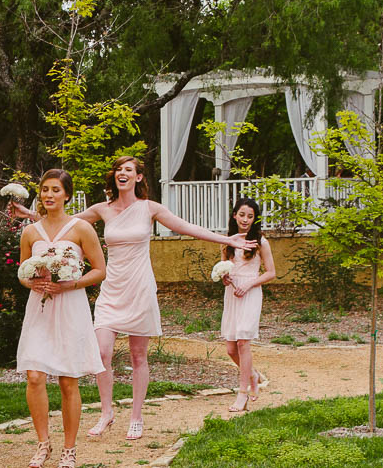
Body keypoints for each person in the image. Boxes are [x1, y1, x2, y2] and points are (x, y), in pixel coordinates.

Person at [73, 156, 254, 440]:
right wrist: (31, 216)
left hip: (140, 288)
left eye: (129, 170)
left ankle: (136, 416)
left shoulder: (149, 208)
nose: (123, 173)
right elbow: (63, 222)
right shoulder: (101, 210)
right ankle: (106, 412)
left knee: (137, 355)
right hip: (112, 288)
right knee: (102, 353)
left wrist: (227, 240)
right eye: (119, 170)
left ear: (139, 178)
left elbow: (186, 227)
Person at [16, 169, 106, 468]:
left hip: (70, 307)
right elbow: (22, 274)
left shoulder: (81, 228)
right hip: (40, 309)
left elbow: (99, 270)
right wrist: (34, 283)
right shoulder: (30, 232)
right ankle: (43, 443)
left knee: (68, 381)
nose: (49, 195)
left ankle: (70, 448)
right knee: (34, 376)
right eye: (44, 189)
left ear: (67, 194)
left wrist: (71, 283)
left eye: (55, 190)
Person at [218, 197, 275, 411]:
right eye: (242, 215)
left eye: (250, 216)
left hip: (250, 293)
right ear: (235, 215)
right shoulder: (228, 241)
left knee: (243, 342)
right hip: (232, 294)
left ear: (254, 219)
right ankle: (252, 374)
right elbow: (225, 268)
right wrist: (225, 279)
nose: (245, 219)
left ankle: (243, 393)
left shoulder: (260, 241)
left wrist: (249, 284)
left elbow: (271, 273)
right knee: (231, 348)